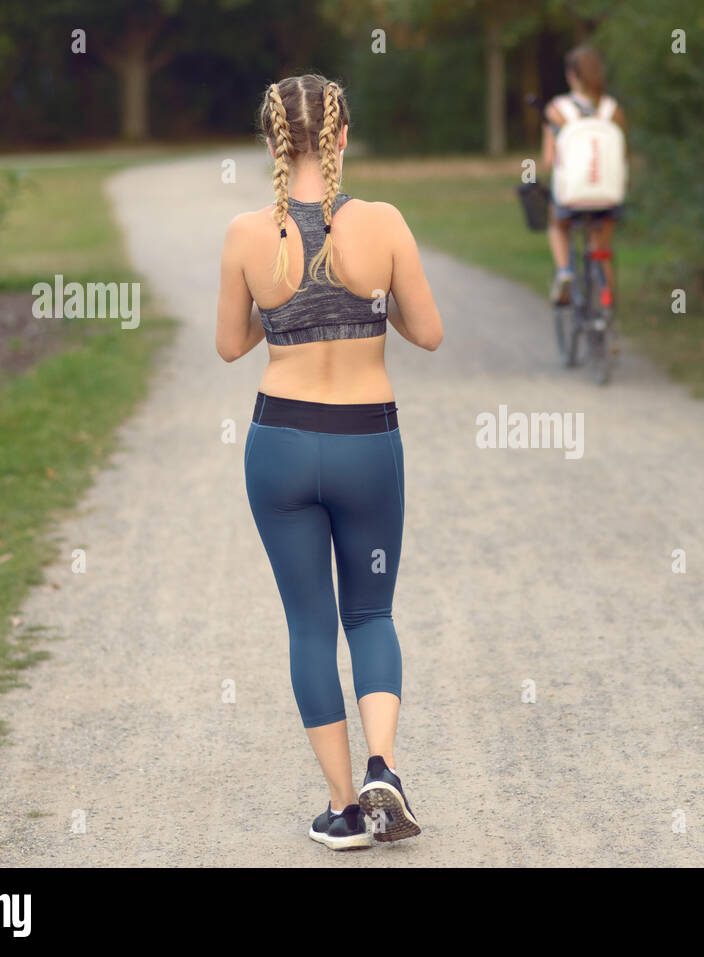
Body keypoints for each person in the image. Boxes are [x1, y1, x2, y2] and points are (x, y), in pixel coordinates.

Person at [214, 73, 442, 850]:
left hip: (280, 446)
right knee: (370, 613)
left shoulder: (247, 233)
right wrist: (369, 300)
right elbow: (430, 331)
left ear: (274, 143)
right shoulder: (380, 222)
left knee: (309, 626)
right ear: (342, 138)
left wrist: (281, 307)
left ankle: (344, 807)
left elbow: (230, 343)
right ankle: (384, 765)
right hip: (365, 442)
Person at [540, 45, 627, 306]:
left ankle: (565, 271)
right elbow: (622, 156)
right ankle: (607, 312)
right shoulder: (613, 110)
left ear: (571, 75)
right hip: (609, 197)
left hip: (572, 198)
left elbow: (548, 160)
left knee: (556, 224)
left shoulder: (557, 109)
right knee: (601, 251)